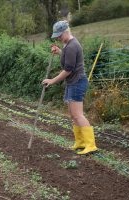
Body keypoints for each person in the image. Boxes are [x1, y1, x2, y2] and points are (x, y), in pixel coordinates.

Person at [42, 20, 97, 155]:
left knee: (78, 115)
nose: (58, 38)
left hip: (77, 82)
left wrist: (52, 80)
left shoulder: (72, 46)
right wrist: (60, 51)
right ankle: (80, 142)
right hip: (73, 83)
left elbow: (68, 70)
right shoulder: (68, 45)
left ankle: (91, 145)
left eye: (60, 36)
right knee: (73, 115)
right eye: (57, 36)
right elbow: (68, 58)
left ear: (66, 32)